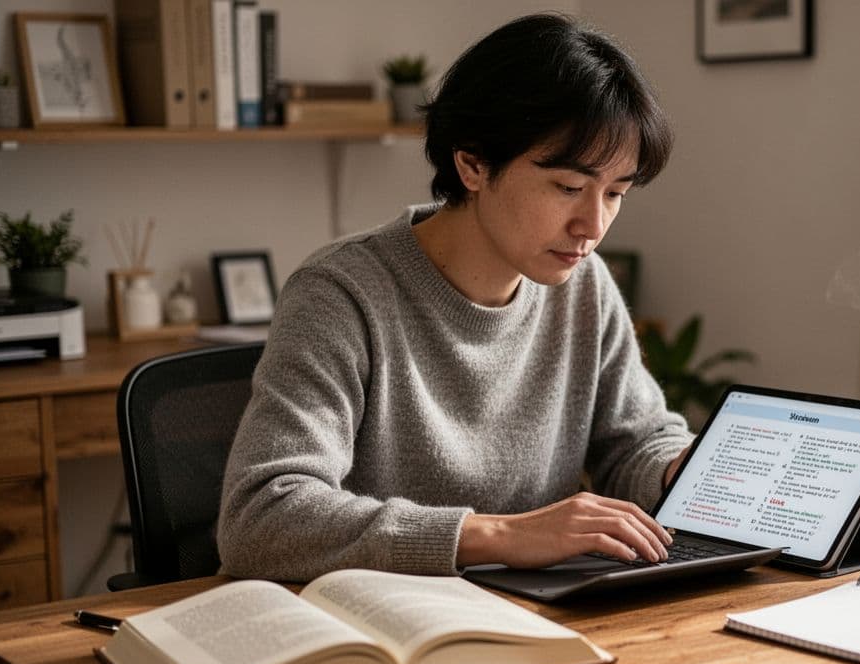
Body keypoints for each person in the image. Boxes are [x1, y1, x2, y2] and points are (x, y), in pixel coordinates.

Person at [217, 13, 692, 582]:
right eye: (568, 188)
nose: (592, 223)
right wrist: (501, 535)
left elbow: (633, 444)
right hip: (373, 629)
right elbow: (261, 516)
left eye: (615, 193)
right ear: (472, 164)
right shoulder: (342, 294)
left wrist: (680, 469)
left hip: (528, 619)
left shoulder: (584, 285)